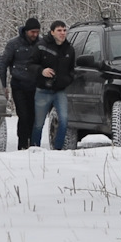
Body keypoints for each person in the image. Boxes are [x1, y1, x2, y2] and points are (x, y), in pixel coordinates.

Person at [30, 20, 77, 151]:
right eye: (59, 30)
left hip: (60, 91)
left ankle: (58, 150)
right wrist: (42, 71)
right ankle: (35, 149)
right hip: (43, 90)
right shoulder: (41, 46)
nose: (62, 33)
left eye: (64, 30)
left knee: (64, 120)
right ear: (52, 32)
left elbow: (72, 70)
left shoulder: (69, 49)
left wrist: (67, 80)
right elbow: (30, 65)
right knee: (39, 123)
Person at [3, 18, 42, 149]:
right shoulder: (14, 44)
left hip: (36, 86)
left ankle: (33, 143)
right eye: (32, 32)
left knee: (34, 116)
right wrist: (3, 85)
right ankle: (22, 143)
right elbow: (3, 63)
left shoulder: (41, 43)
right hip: (19, 85)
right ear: (26, 31)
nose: (35, 35)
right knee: (23, 115)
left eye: (37, 32)